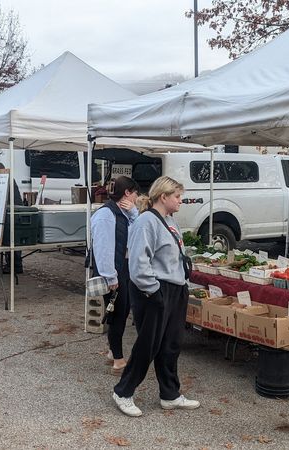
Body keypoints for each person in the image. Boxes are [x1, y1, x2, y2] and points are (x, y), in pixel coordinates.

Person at [112, 176, 198, 417]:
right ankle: (123, 391)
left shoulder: (170, 220)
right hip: (155, 291)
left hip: (175, 288)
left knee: (171, 344)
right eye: (177, 196)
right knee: (148, 345)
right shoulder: (146, 221)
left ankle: (170, 394)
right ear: (163, 196)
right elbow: (138, 262)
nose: (181, 201)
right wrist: (153, 290)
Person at [90, 176, 141, 374]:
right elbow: (103, 249)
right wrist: (111, 277)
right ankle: (118, 360)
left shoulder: (124, 212)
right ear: (128, 193)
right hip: (113, 271)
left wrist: (134, 212)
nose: (137, 197)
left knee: (122, 310)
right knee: (118, 314)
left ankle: (113, 352)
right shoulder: (106, 215)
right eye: (136, 193)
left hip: (123, 268)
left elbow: (137, 232)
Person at [0, 162, 24, 273]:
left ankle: (16, 267)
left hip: (13, 214)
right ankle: (11, 265)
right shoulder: (2, 180)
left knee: (12, 241)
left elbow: (5, 199)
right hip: (8, 214)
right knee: (9, 240)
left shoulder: (6, 180)